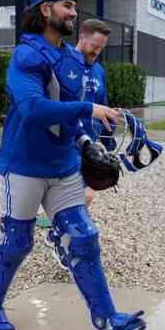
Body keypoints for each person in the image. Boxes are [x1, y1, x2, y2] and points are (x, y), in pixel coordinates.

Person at [0, 0, 147, 330]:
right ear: (45, 9)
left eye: (74, 5)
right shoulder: (25, 56)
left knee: (83, 236)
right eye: (67, 5)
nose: (73, 12)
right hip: (23, 165)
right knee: (17, 241)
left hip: (64, 166)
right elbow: (35, 110)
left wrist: (86, 141)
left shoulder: (71, 57)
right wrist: (89, 107)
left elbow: (68, 118)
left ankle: (106, 317)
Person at [44, 18, 111, 269]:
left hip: (89, 145)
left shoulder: (98, 71)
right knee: (83, 194)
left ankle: (61, 235)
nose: (97, 51)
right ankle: (63, 238)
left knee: (85, 196)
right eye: (94, 45)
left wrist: (107, 140)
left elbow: (101, 105)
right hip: (66, 141)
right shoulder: (63, 63)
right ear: (82, 38)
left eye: (102, 48)